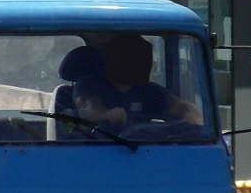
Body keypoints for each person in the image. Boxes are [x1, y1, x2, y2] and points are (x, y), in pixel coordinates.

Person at [74, 33, 203, 131]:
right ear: (113, 59)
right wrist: (106, 115)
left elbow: (182, 107)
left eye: (139, 59)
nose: (134, 63)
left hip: (145, 150)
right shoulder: (87, 85)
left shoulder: (150, 91)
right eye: (127, 57)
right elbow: (88, 108)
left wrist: (192, 115)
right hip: (97, 147)